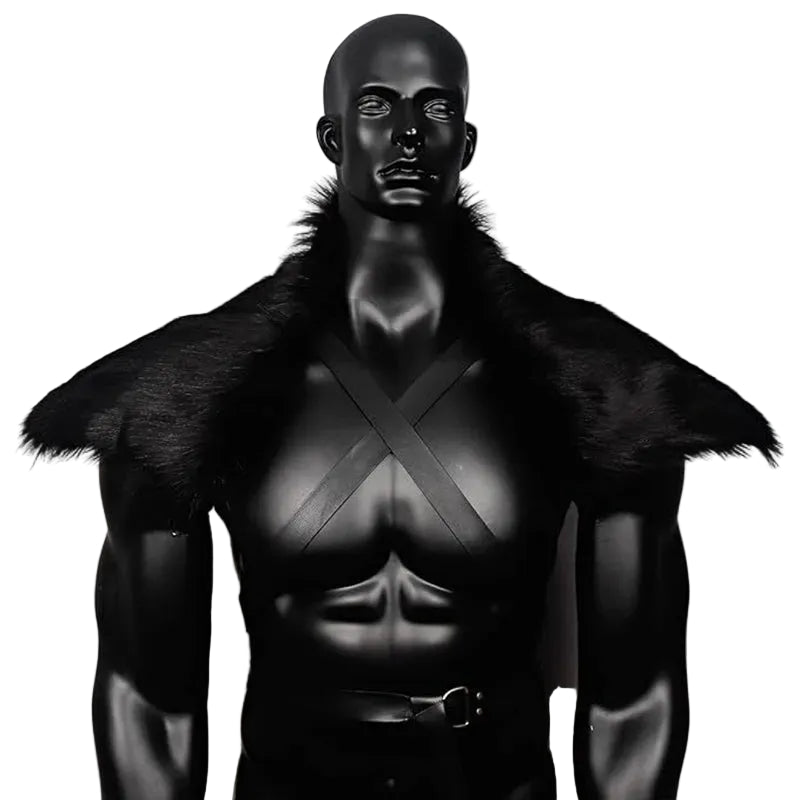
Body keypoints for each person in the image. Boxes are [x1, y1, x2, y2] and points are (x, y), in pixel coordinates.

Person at [19, 13, 780, 800]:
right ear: (333, 137)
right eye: (378, 105)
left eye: (436, 106)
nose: (410, 132)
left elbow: (633, 700)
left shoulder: (609, 397)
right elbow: (150, 699)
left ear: (467, 141)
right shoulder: (184, 401)